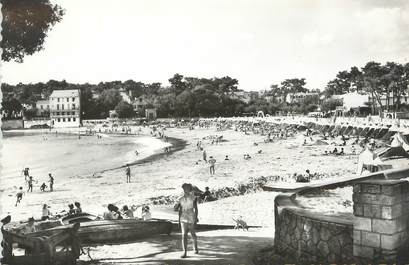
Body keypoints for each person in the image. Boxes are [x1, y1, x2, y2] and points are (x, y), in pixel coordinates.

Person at [178, 183, 199, 258]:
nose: (185, 190)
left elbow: (196, 208)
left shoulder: (194, 198)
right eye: (184, 188)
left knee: (192, 233)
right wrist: (178, 220)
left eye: (187, 188)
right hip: (183, 217)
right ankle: (185, 252)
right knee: (184, 235)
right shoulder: (180, 199)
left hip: (191, 216)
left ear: (189, 189)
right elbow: (180, 210)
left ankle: (195, 247)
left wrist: (196, 217)